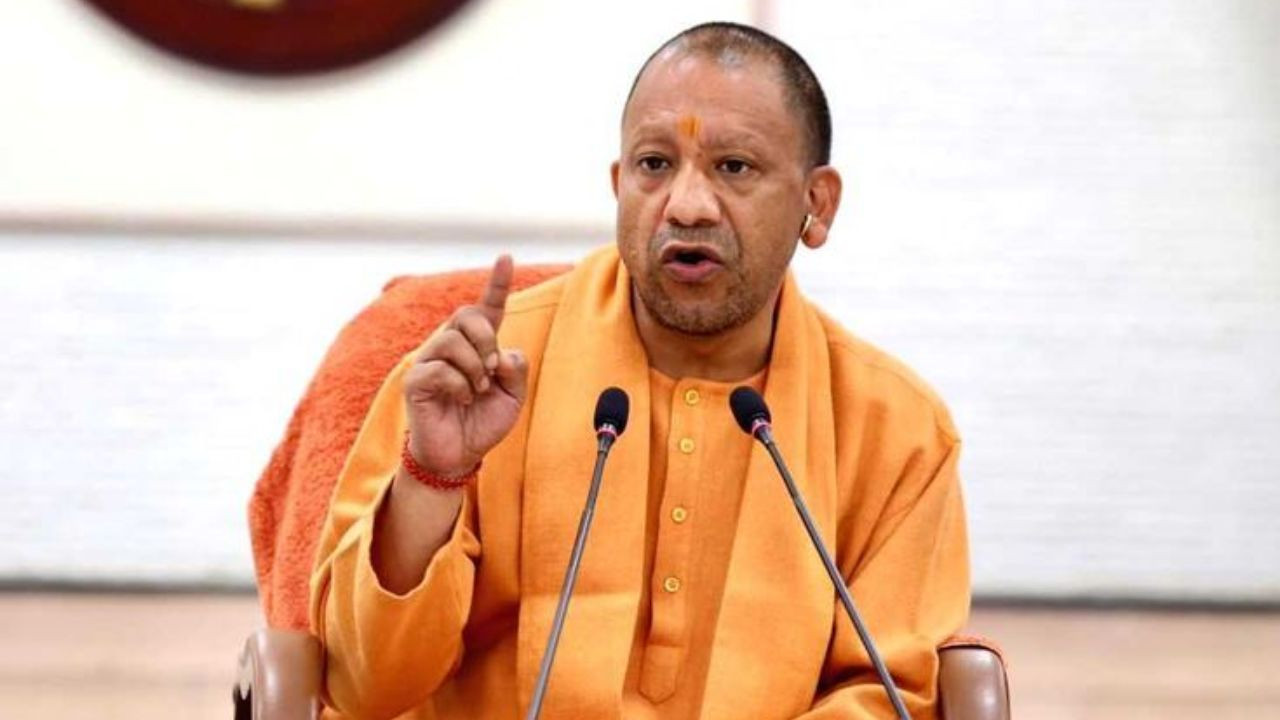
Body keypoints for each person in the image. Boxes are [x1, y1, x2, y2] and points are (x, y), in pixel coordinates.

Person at [309, 21, 969, 719]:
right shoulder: (475, 384)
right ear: (619, 185)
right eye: (655, 164)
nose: (686, 206)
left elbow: (890, 696)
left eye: (734, 167)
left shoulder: (898, 432)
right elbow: (363, 688)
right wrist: (432, 477)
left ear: (818, 203)